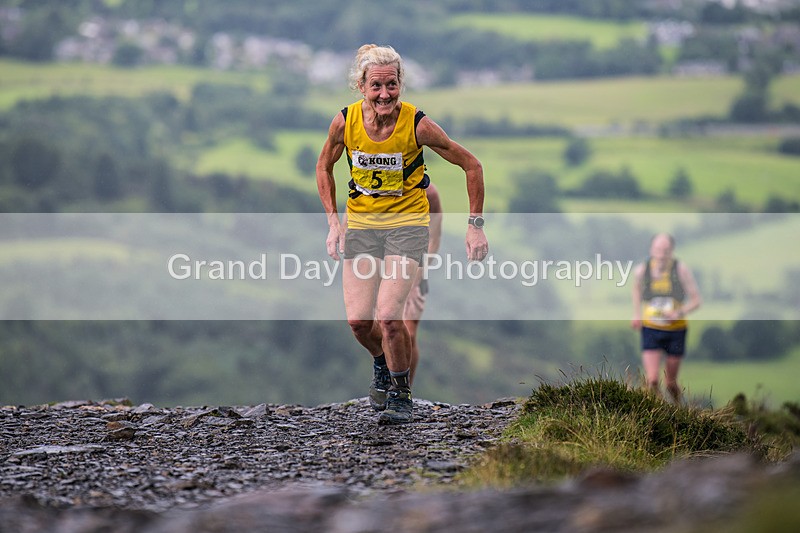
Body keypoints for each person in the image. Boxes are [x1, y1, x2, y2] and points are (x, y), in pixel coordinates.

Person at [316, 44, 488, 425]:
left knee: (390, 316)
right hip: (362, 228)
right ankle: (381, 362)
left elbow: (471, 165)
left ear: (400, 84)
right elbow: (323, 166)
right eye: (376, 86)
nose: (384, 95)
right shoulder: (345, 123)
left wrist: (475, 226)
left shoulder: (417, 125)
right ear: (361, 86)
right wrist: (333, 223)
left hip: (407, 228)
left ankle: (401, 393)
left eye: (391, 85)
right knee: (359, 323)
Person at [631, 233, 702, 403]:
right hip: (651, 328)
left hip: (676, 330)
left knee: (670, 383)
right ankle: (656, 411)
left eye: (665, 250)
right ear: (651, 249)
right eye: (658, 249)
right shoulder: (642, 270)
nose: (661, 254)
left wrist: (678, 312)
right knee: (652, 380)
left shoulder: (681, 270)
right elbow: (636, 290)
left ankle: (678, 408)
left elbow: (696, 301)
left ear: (672, 251)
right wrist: (637, 314)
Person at [403, 183, 442, 386]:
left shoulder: (429, 193)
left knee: (409, 333)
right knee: (386, 330)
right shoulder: (378, 183)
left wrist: (418, 275)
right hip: (380, 268)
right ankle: (385, 381)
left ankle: (405, 388)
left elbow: (434, 238)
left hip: (416, 270)